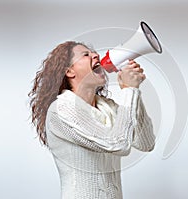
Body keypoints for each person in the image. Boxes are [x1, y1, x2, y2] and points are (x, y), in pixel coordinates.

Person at [28, 41, 156, 199]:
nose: (96, 55)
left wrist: (134, 91)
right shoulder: (60, 109)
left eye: (93, 52)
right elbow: (118, 144)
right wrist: (129, 90)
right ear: (69, 71)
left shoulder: (107, 107)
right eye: (85, 55)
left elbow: (146, 143)